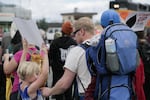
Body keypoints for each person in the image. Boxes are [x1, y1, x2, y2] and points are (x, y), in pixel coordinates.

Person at [41, 17, 96, 100]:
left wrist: (49, 91)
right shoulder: (102, 46)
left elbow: (64, 84)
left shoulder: (77, 50)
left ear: (82, 31)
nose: (74, 37)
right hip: (103, 93)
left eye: (75, 34)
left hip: (85, 94)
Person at [3, 30, 39, 100]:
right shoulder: (40, 54)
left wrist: (6, 58)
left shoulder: (20, 54)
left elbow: (7, 70)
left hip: (18, 90)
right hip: (36, 89)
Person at [49, 21, 77, 100]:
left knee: (58, 95)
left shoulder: (55, 43)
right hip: (70, 73)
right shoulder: (74, 43)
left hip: (57, 73)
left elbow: (50, 57)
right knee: (69, 94)